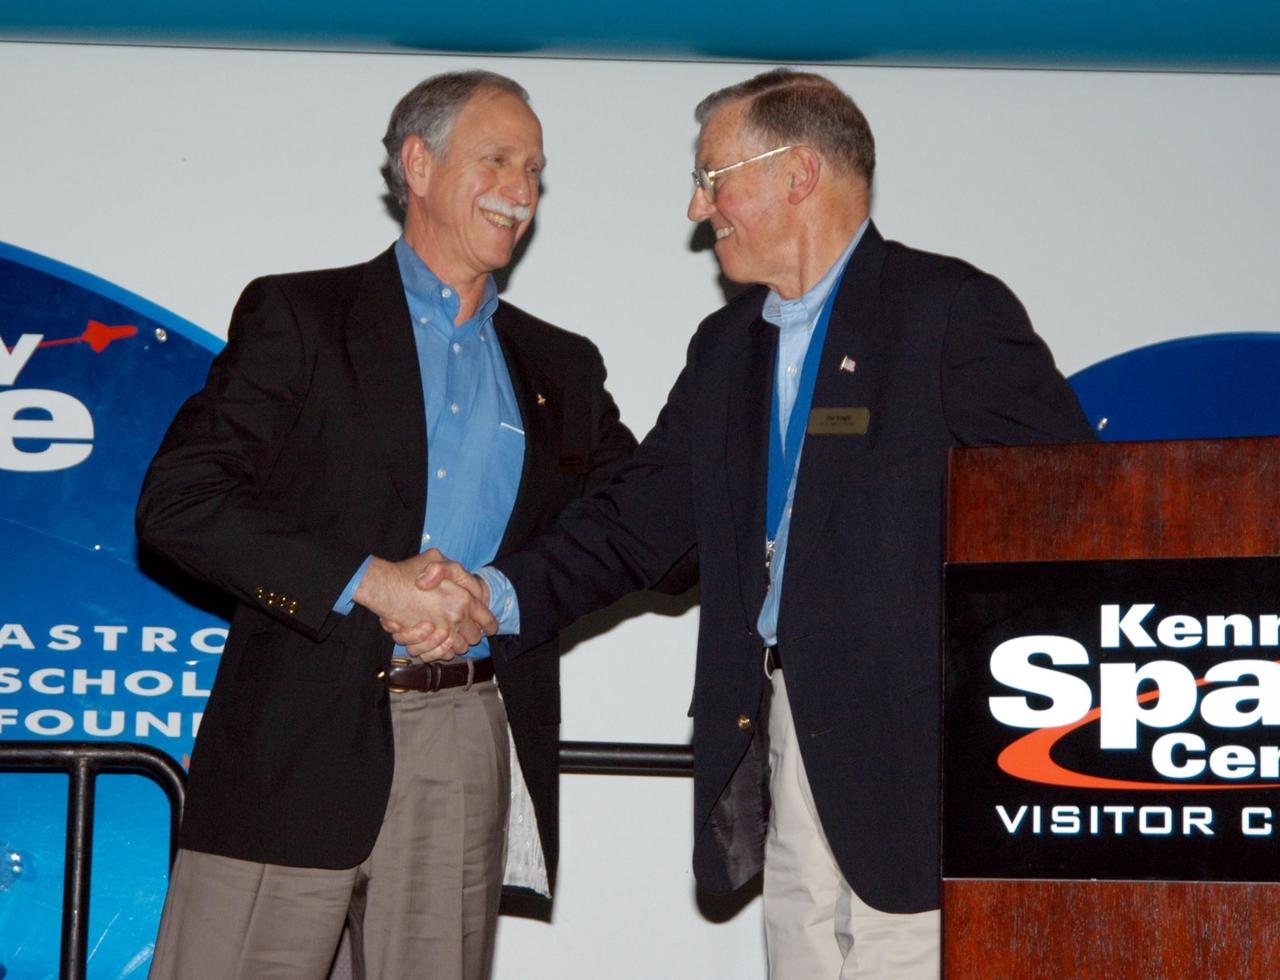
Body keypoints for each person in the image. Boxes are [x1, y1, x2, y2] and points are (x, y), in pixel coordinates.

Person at [401, 69, 1097, 978]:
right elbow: (633, 526)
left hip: (925, 769)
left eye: (714, 176)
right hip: (775, 743)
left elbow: (1077, 518)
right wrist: (491, 594)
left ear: (799, 172)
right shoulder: (727, 350)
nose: (698, 207)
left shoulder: (947, 315)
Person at [136, 70, 641, 978]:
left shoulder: (561, 366)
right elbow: (182, 502)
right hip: (292, 743)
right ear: (418, 161)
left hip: (464, 733)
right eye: (497, 159)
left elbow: (637, 522)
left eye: (535, 170)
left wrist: (502, 591)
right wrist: (373, 579)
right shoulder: (301, 316)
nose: (521, 190)